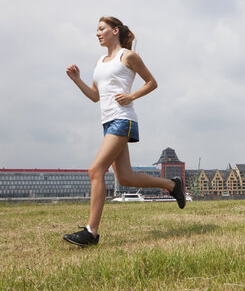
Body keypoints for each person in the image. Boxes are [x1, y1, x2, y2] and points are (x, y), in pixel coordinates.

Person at [63, 16, 186, 247]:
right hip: (108, 121)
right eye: (97, 30)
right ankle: (172, 185)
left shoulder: (127, 56)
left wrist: (131, 96)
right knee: (125, 177)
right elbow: (95, 96)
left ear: (115, 30)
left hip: (123, 119)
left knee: (95, 170)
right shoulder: (100, 61)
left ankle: (92, 231)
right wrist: (76, 80)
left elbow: (151, 82)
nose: (98, 33)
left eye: (102, 29)